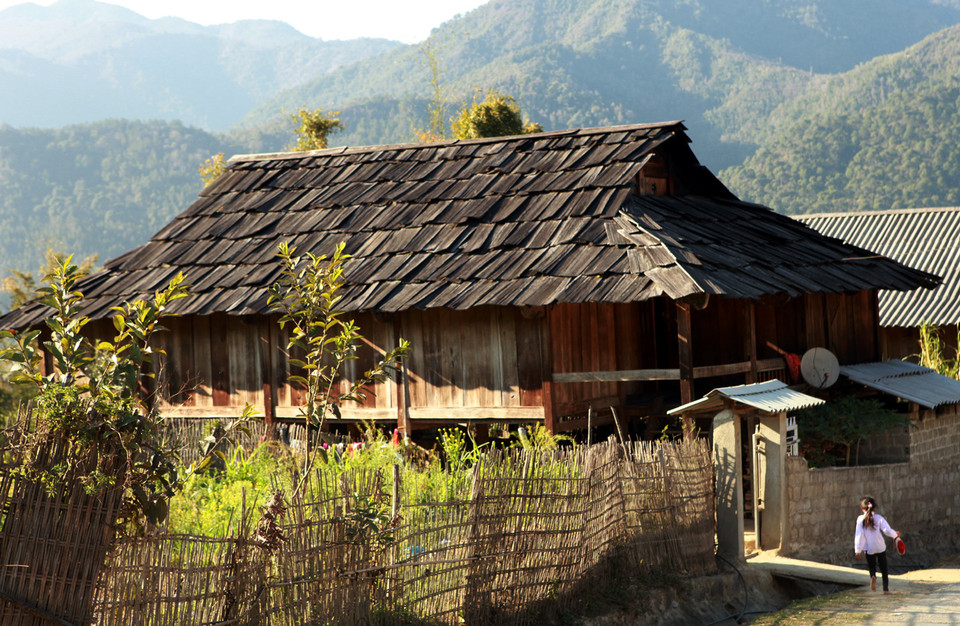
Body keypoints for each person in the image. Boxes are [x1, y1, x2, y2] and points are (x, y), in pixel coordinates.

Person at [854, 496, 901, 593]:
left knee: (872, 566)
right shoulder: (879, 518)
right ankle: (886, 589)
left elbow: (859, 535)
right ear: (874, 507)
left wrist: (858, 550)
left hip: (868, 548)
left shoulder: (860, 520)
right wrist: (895, 535)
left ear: (862, 508)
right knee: (884, 568)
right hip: (880, 546)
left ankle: (873, 576)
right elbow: (887, 530)